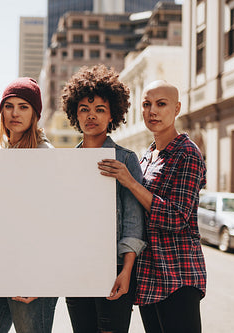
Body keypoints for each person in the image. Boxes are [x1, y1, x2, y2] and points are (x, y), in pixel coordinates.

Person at [97, 80, 207, 333]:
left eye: (161, 104)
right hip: (150, 276)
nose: (152, 111)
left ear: (177, 108)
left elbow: (177, 217)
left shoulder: (188, 153)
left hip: (178, 275)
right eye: (146, 104)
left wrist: (130, 182)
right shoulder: (147, 156)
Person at [61, 65, 146, 333]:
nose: (91, 116)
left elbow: (134, 220)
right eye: (84, 109)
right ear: (75, 113)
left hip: (115, 268)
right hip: (76, 268)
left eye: (100, 109)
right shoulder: (66, 162)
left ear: (112, 115)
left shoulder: (125, 159)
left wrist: (126, 271)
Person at [0, 77, 57, 333]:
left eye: (23, 106)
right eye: (9, 106)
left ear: (35, 114)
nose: (15, 113)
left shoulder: (46, 156)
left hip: (30, 272)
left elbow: (55, 223)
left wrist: (41, 279)